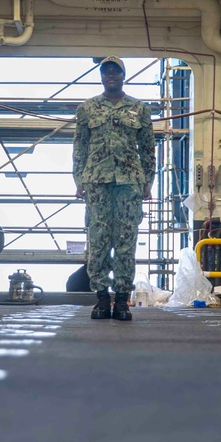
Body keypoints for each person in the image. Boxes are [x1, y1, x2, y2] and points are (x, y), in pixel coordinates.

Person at [73, 56, 155, 322]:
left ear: (123, 75)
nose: (110, 75)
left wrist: (148, 183)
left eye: (115, 71)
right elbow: (80, 147)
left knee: (125, 241)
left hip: (129, 183)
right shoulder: (87, 108)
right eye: (106, 71)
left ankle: (121, 300)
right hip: (96, 181)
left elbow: (148, 148)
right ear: (101, 77)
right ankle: (100, 299)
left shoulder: (139, 109)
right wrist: (78, 181)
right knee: (98, 241)